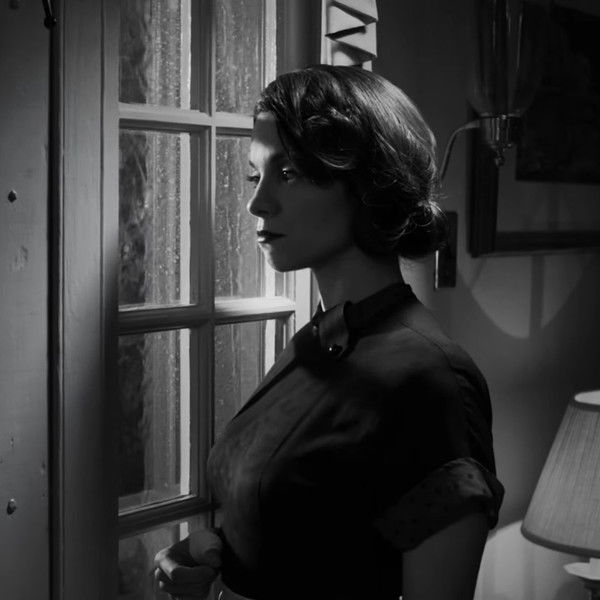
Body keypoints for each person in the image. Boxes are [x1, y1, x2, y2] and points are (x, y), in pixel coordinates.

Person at [154, 65, 504, 600]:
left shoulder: (431, 380)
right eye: (254, 176)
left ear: (366, 183)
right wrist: (213, 552)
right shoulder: (318, 343)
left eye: (289, 172)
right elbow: (317, 519)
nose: (257, 202)